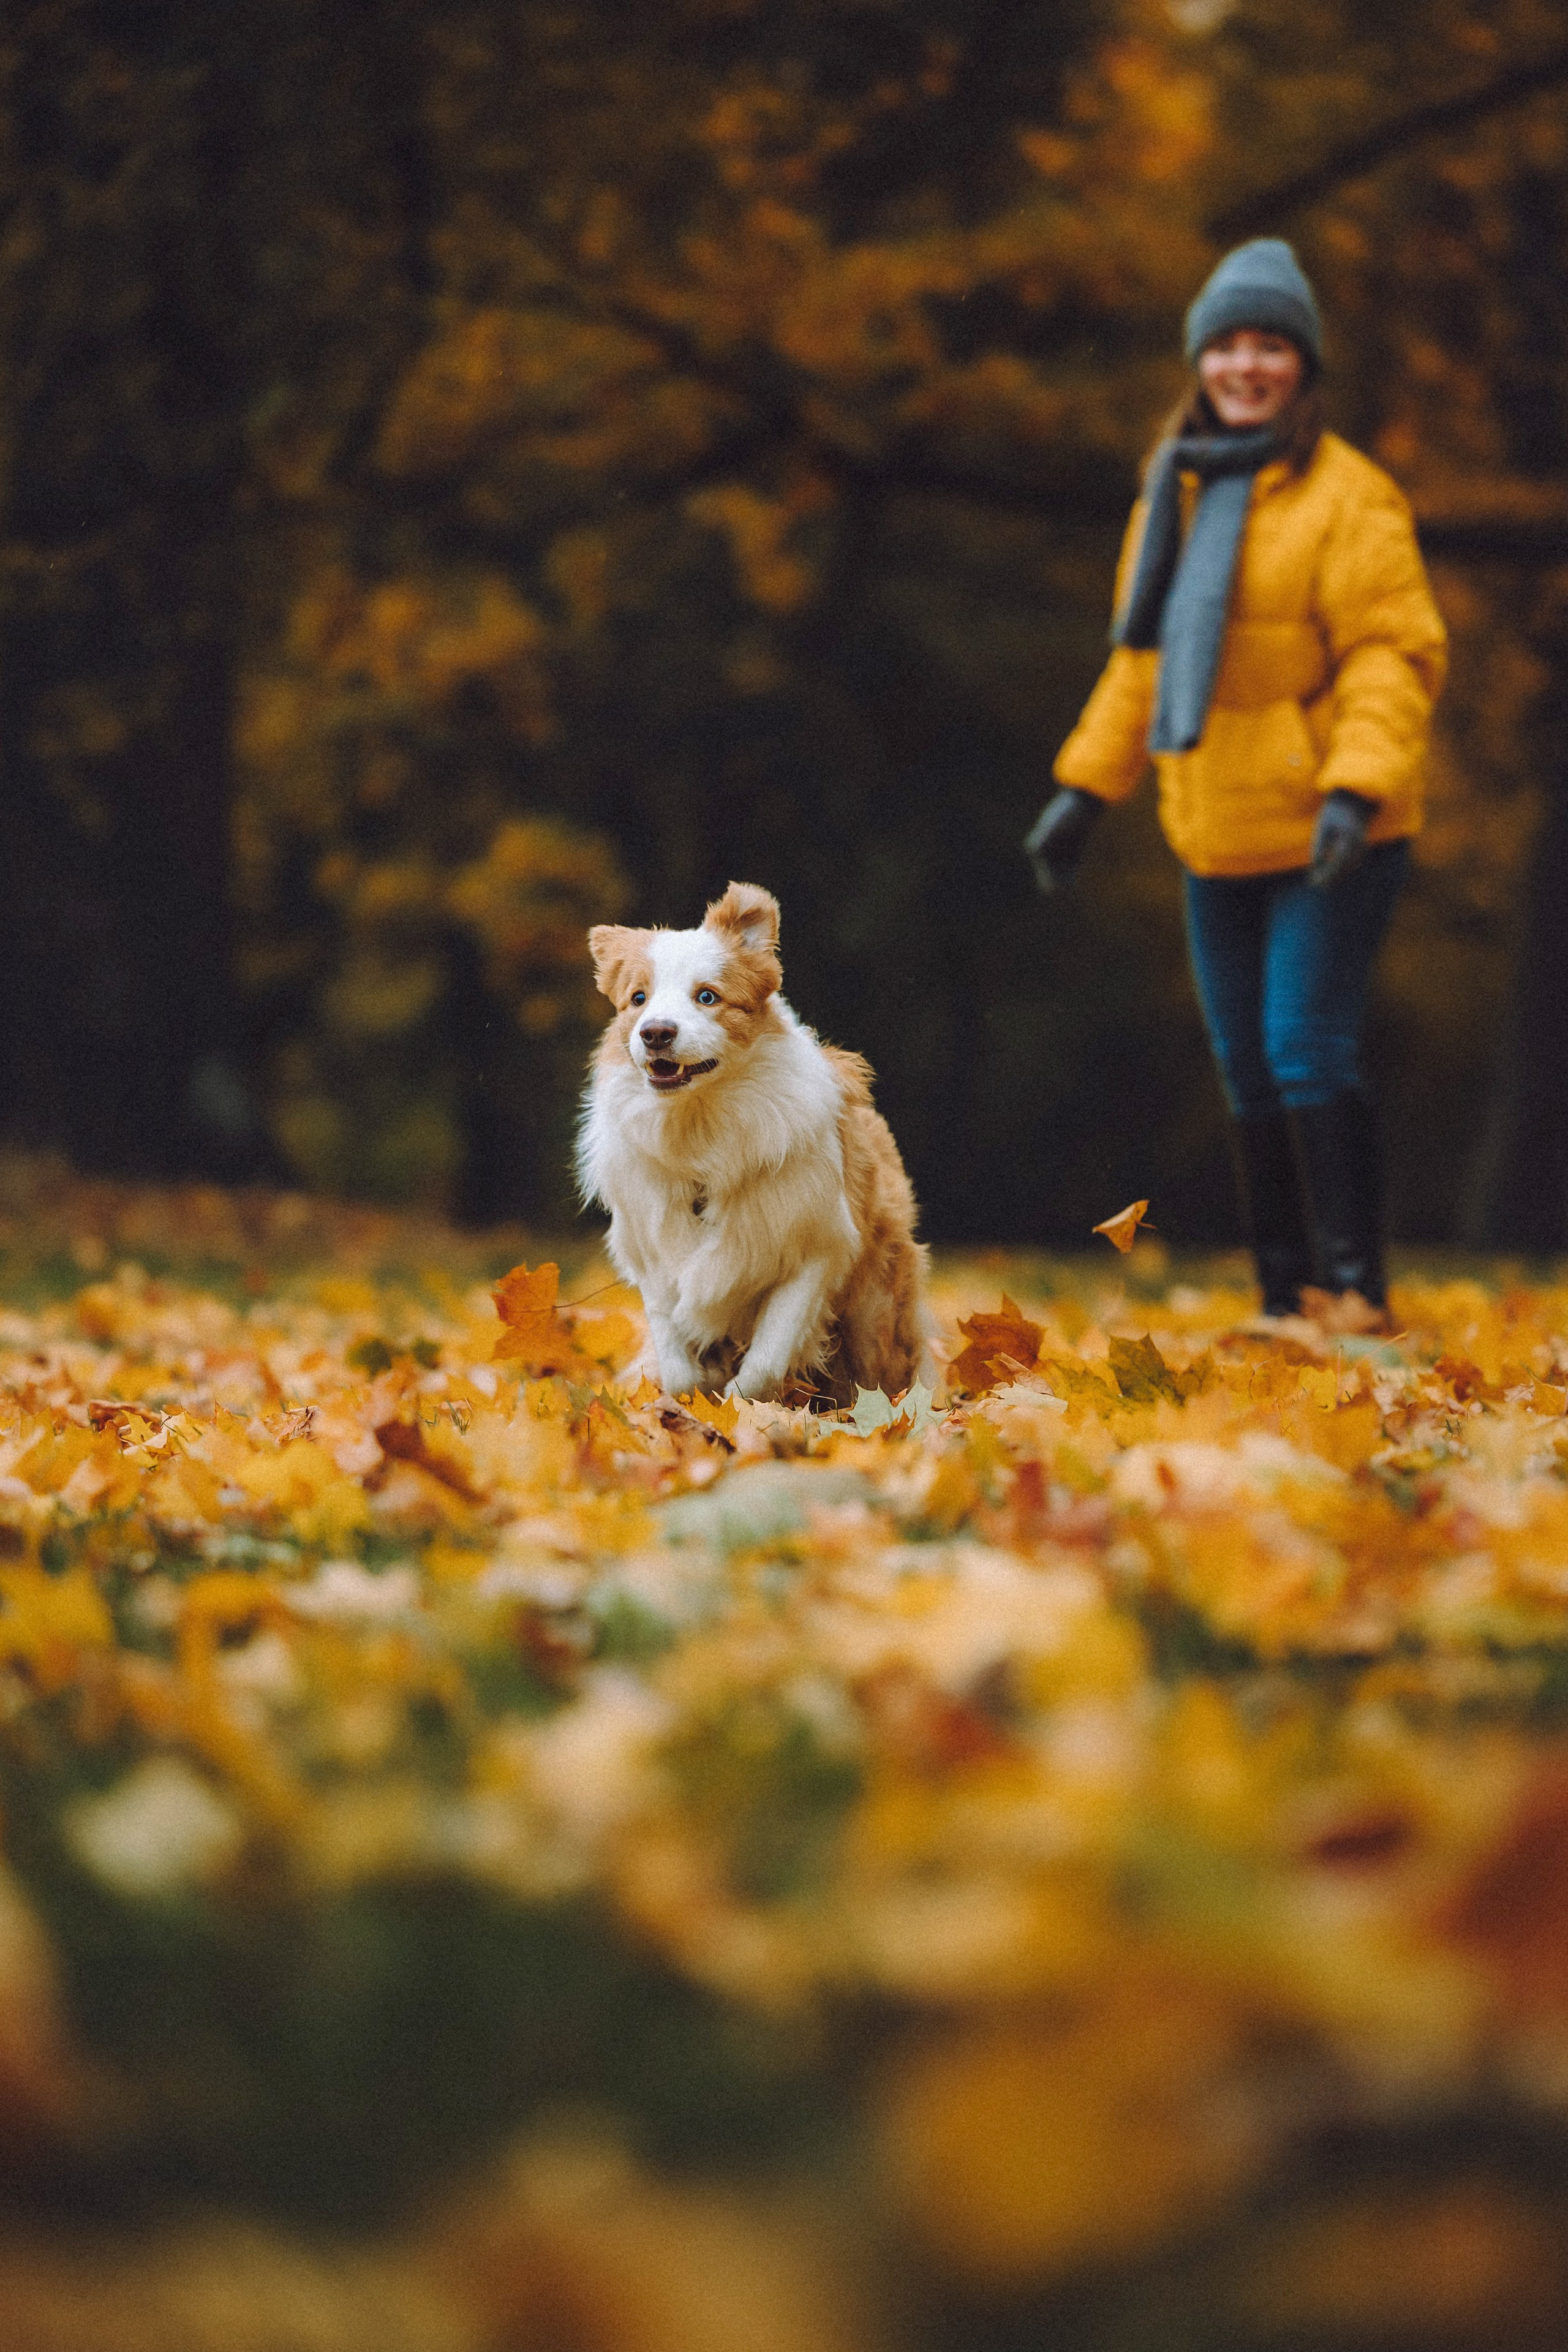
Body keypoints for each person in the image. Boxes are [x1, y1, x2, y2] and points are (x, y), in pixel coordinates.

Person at [1027, 238, 1447, 1325]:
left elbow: (1391, 657)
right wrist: (1085, 790)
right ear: (1199, 360)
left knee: (1305, 1046)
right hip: (1214, 826)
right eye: (1227, 345)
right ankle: (1285, 1298)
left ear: (1303, 366)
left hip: (1329, 826)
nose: (1246, 366)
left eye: (1270, 346)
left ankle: (1355, 1294)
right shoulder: (1172, 488)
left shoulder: (1350, 497)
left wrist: (1355, 789)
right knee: (1246, 1065)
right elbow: (1143, 660)